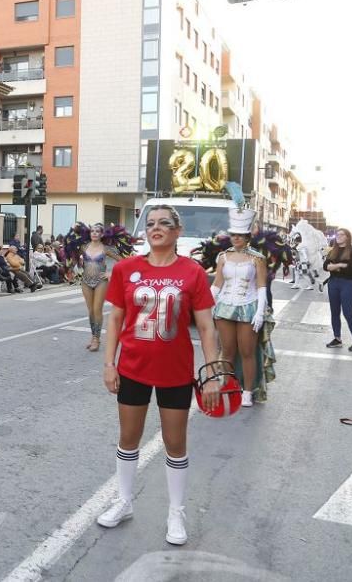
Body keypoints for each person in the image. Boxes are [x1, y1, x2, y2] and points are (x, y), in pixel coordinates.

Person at [97, 205, 221, 546]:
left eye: (164, 223)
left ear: (177, 231)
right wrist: (109, 364)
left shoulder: (192, 272)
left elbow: (207, 327)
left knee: (175, 443)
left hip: (176, 370)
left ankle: (176, 511)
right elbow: (116, 320)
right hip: (133, 367)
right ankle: (123, 501)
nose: (156, 228)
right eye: (150, 223)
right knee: (129, 438)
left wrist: (212, 373)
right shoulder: (126, 269)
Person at [210, 207, 267, 407]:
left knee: (247, 352)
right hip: (225, 307)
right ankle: (228, 386)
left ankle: (248, 391)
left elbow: (261, 287)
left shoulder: (257, 258)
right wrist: (206, 304)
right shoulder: (223, 257)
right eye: (233, 235)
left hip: (247, 307)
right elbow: (217, 283)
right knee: (227, 351)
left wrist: (260, 312)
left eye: (240, 235)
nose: (236, 238)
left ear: (247, 236)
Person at [77, 224, 123, 352]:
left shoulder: (106, 248)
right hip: (85, 281)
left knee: (97, 309)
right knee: (91, 311)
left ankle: (96, 339)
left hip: (101, 281)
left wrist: (111, 273)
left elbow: (123, 261)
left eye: (97, 231)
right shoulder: (83, 247)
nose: (95, 233)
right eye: (92, 231)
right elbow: (72, 258)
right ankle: (93, 337)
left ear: (102, 234)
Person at [324, 228, 352, 352]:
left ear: (347, 237)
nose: (338, 236)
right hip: (333, 283)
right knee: (334, 312)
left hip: (348, 284)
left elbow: (350, 269)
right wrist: (340, 265)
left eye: (342, 234)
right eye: (337, 234)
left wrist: (333, 266)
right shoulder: (332, 251)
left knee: (347, 313)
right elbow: (325, 266)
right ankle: (337, 339)